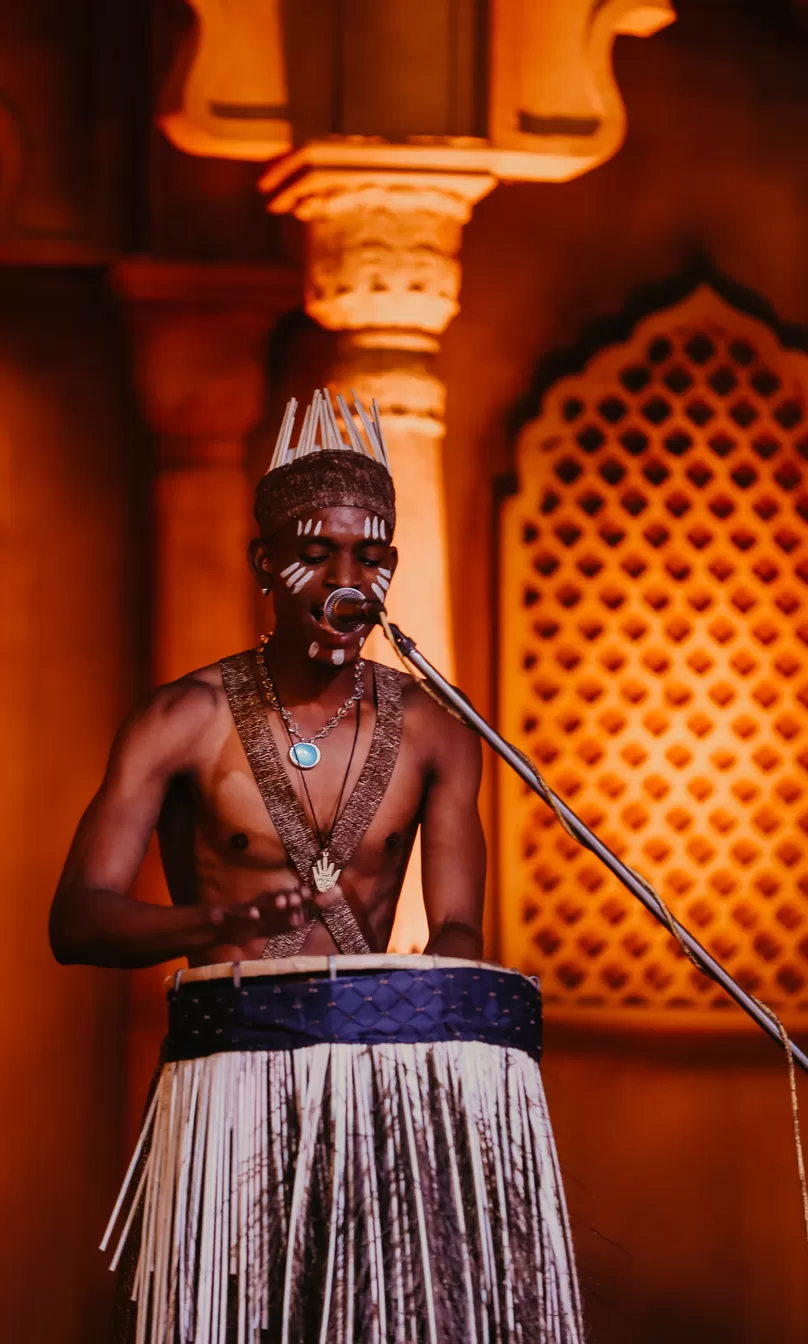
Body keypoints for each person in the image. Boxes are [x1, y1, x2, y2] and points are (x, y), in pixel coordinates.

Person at [51, 389, 583, 1343]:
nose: (347, 578)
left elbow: (459, 926)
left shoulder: (435, 731)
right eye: (317, 551)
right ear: (265, 562)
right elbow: (78, 920)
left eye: (371, 557)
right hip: (232, 1084)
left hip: (383, 1086)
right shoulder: (183, 719)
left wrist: (435, 1011)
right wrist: (213, 925)